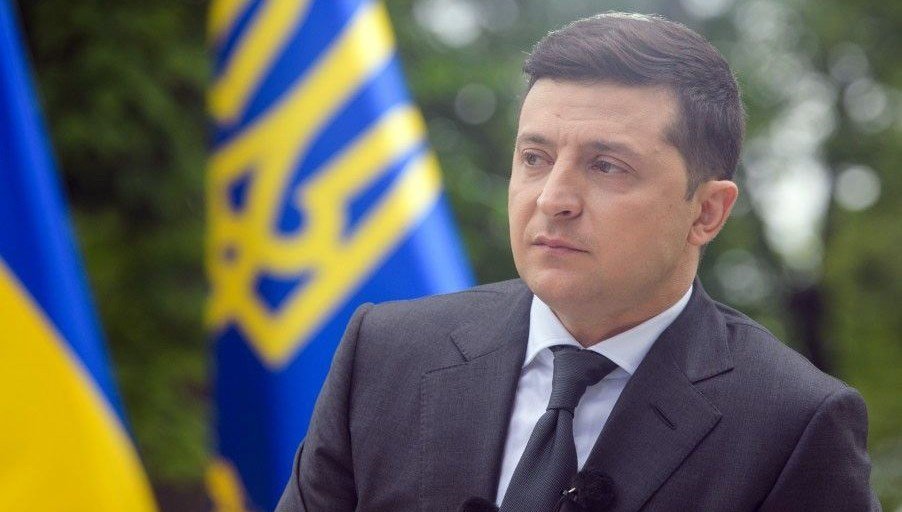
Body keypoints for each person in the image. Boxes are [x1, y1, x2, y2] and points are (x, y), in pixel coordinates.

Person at [275, 12, 880, 512]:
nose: (553, 199)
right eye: (534, 158)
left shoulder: (794, 425)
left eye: (606, 166)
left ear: (706, 212)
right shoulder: (385, 353)